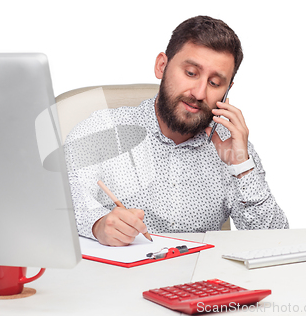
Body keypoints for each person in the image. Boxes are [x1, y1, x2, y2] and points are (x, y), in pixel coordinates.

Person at [65, 15, 288, 246]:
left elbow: (275, 242)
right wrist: (98, 224)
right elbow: (58, 206)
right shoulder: (101, 130)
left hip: (200, 279)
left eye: (214, 83)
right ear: (162, 66)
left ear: (226, 90)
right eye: (191, 73)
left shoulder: (232, 149)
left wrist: (242, 168)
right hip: (120, 278)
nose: (200, 93)